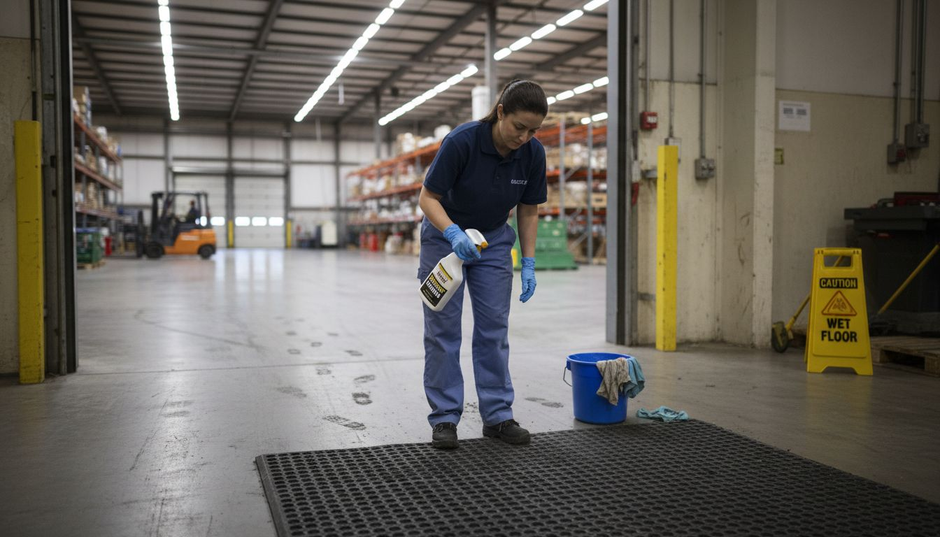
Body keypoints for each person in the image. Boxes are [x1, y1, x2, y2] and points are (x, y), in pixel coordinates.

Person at [417, 80, 548, 449]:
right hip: (445, 237)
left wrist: (529, 260)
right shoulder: (462, 141)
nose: (524, 137)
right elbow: (427, 198)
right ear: (500, 111)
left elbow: (529, 207)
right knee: (443, 330)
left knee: (493, 328)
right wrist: (454, 234)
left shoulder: (533, 153)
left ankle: (497, 416)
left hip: (492, 240)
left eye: (533, 130)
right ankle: (444, 417)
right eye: (518, 127)